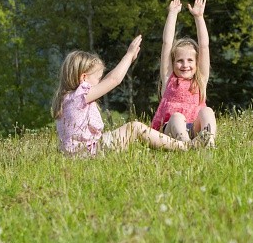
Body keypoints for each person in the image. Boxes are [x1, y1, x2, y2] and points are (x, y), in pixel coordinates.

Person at [51, 35, 188, 156]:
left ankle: (180, 145)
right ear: (84, 78)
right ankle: (185, 147)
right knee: (135, 127)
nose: (100, 83)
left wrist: (127, 62)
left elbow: (107, 80)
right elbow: (113, 80)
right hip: (89, 152)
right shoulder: (81, 94)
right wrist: (128, 56)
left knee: (131, 129)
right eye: (98, 79)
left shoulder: (70, 98)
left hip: (80, 153)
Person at [152, 0, 217, 147]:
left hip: (194, 128)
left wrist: (199, 17)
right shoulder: (169, 79)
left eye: (190, 61)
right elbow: (167, 43)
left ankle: (209, 142)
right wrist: (172, 14)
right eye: (180, 61)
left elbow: (204, 46)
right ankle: (187, 146)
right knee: (176, 117)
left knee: (207, 111)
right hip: (171, 131)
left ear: (197, 63)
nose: (185, 65)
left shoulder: (200, 80)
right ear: (173, 63)